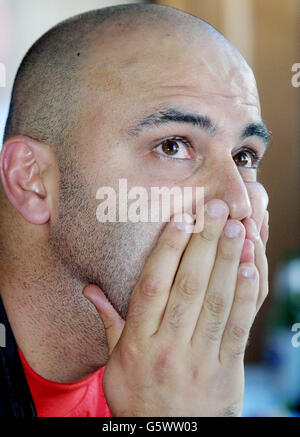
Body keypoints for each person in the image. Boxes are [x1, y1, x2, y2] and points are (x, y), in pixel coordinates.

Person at [0, 3, 269, 417]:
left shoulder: (184, 381)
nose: (237, 203)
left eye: (244, 156)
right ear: (31, 181)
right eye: (173, 146)